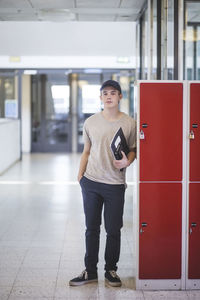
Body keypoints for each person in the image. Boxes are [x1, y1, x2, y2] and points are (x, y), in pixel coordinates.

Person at [69, 80, 136, 287]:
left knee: (113, 229)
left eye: (113, 93)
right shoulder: (90, 122)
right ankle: (90, 271)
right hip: (91, 182)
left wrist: (128, 160)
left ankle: (111, 270)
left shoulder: (129, 123)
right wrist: (80, 176)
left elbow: (133, 149)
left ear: (120, 97)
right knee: (91, 228)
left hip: (115, 184)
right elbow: (87, 150)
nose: (109, 97)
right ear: (100, 98)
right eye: (105, 93)